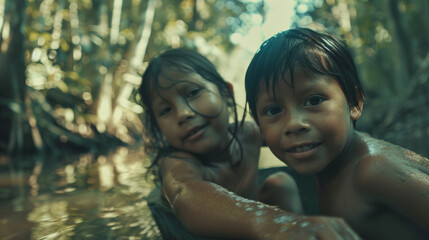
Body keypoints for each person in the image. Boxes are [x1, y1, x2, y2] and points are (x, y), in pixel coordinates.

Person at [139, 48, 360, 239]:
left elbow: (294, 134)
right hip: (237, 230)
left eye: (193, 93)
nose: (183, 114)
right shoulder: (178, 163)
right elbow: (185, 195)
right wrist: (276, 223)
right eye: (165, 110)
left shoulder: (248, 134)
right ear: (158, 127)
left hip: (264, 229)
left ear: (226, 94)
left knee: (280, 183)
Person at [244, 27, 429, 239]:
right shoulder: (333, 164)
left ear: (354, 103)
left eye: (313, 101)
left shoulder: (374, 171)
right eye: (274, 111)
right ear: (259, 124)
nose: (294, 124)